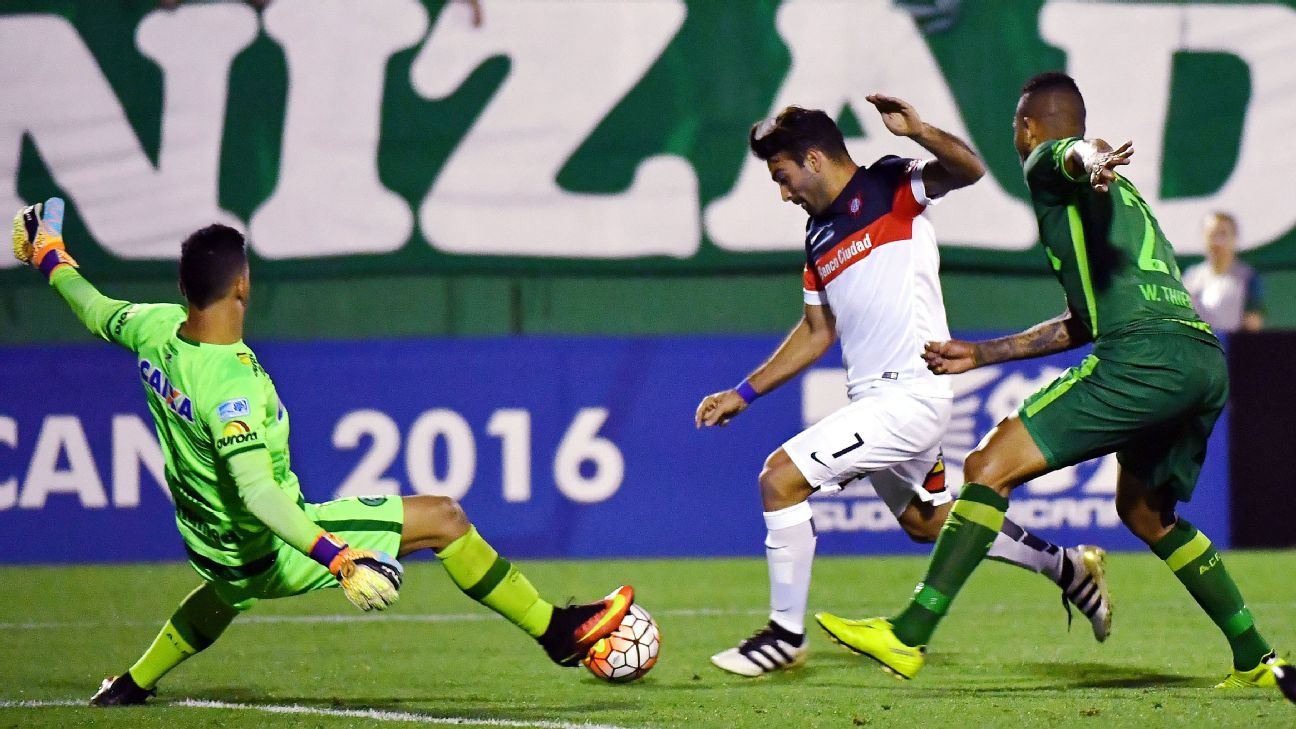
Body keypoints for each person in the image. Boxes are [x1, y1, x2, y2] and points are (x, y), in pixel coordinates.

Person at [11, 200, 633, 706]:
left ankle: (133, 684)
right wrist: (338, 559)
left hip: (206, 542)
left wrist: (49, 256)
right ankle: (555, 632)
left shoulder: (153, 326)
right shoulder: (231, 386)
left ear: (184, 288)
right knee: (444, 518)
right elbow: (258, 494)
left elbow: (93, 309)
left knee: (232, 586)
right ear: (243, 285)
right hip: (263, 540)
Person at [813, 72, 1294, 697]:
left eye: (1019, 125)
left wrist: (1084, 155)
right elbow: (1084, 322)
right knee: (1146, 513)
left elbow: (1066, 155)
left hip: (1143, 357)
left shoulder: (1048, 161)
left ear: (1029, 126)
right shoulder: (1125, 201)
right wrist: (985, 352)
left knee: (988, 466)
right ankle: (1256, 655)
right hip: (1201, 361)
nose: (1019, 138)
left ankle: (907, 635)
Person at [694, 99, 1112, 678]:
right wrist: (745, 390)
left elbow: (969, 170)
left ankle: (783, 635)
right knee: (928, 522)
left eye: (782, 177)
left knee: (779, 480)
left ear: (813, 159)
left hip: (912, 396)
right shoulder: (817, 235)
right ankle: (1068, 568)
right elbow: (818, 332)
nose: (784, 193)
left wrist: (919, 132)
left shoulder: (890, 184)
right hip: (876, 401)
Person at [1182, 212, 1265, 333]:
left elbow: (1253, 326)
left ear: (1234, 238)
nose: (1217, 241)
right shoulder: (1190, 277)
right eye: (1212, 235)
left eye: (1223, 234)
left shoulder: (1247, 277)